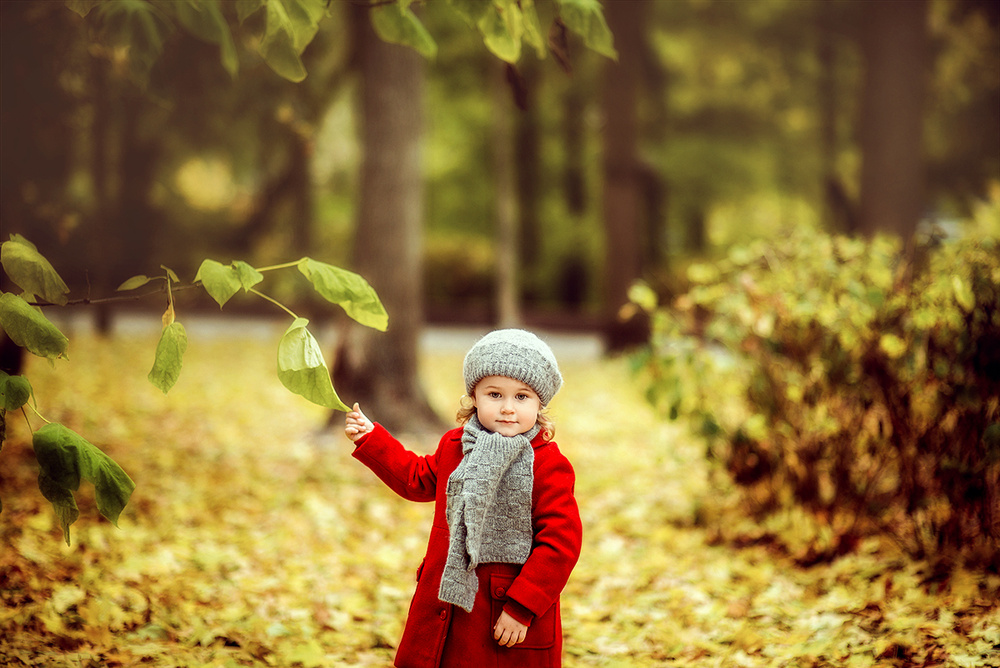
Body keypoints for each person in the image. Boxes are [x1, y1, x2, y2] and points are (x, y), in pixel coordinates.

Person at [344, 329, 583, 668]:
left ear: (539, 402)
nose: (507, 408)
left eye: (522, 397)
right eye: (495, 394)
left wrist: (522, 607)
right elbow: (416, 478)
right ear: (474, 396)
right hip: (449, 602)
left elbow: (561, 543)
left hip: (504, 612)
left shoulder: (547, 464)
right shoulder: (456, 446)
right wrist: (373, 439)